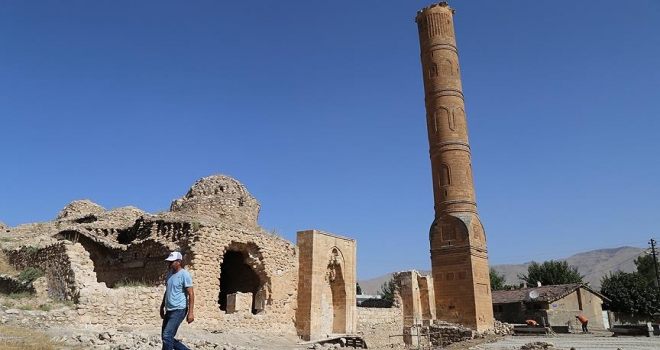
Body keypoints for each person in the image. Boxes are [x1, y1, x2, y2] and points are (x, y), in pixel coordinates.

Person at [160, 251, 195, 350]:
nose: (169, 264)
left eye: (172, 262)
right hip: (169, 310)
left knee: (167, 336)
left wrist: (190, 313)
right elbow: (167, 291)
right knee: (165, 336)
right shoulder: (169, 275)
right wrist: (162, 307)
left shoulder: (184, 275)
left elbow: (191, 294)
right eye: (169, 262)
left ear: (178, 262)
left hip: (179, 309)